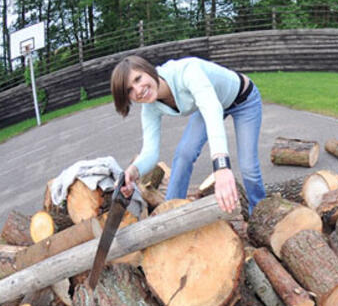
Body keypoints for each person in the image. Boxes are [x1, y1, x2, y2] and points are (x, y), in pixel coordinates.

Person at [110, 55, 266, 214]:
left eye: (138, 79)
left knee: (248, 168)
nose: (138, 90)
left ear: (148, 70)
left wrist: (221, 167)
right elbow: (150, 152)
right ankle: (169, 214)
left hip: (243, 101)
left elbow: (212, 109)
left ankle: (259, 212)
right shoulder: (150, 107)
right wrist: (132, 172)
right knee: (184, 154)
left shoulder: (187, 71)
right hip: (207, 105)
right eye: (129, 90)